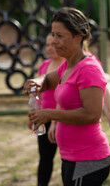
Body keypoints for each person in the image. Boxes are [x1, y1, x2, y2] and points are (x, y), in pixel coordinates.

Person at [24, 7, 110, 186]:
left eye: (60, 36)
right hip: (73, 157)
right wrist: (37, 82)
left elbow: (92, 115)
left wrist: (50, 114)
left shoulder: (88, 69)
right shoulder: (68, 65)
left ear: (78, 37)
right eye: (53, 35)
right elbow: (48, 80)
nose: (54, 41)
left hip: (88, 159)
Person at [34, 34, 64, 186]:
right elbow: (37, 93)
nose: (49, 48)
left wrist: (55, 121)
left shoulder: (66, 65)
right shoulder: (44, 65)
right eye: (47, 45)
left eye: (53, 44)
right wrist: (34, 114)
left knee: (67, 160)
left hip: (63, 119)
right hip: (44, 120)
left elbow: (62, 95)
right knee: (45, 159)